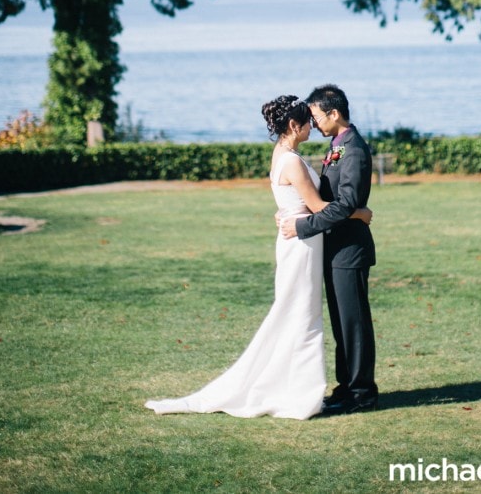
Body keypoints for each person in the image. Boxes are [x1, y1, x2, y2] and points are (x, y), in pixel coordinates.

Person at [144, 94, 372, 420]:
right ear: (294, 125)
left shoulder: (283, 154)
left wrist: (290, 215)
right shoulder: (292, 160)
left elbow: (299, 200)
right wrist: (360, 213)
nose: (313, 125)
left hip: (302, 239)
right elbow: (321, 207)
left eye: (315, 117)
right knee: (300, 315)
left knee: (299, 314)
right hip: (301, 242)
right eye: (308, 121)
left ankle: (312, 388)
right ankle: (301, 393)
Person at [280, 84, 378, 415]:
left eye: (316, 115)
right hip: (334, 247)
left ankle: (362, 392)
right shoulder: (336, 145)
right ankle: (346, 386)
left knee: (354, 323)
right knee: (341, 323)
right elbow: (329, 198)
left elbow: (347, 203)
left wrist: (303, 226)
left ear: (334, 113)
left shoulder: (354, 149)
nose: (314, 122)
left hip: (349, 249)